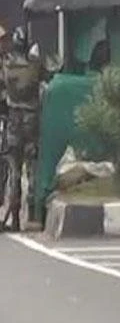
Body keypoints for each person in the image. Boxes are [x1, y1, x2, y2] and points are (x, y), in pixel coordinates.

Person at [1, 26, 50, 231]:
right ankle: (33, 215)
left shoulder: (6, 65)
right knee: (32, 169)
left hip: (13, 122)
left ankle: (14, 218)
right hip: (32, 122)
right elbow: (51, 73)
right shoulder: (35, 66)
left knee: (13, 170)